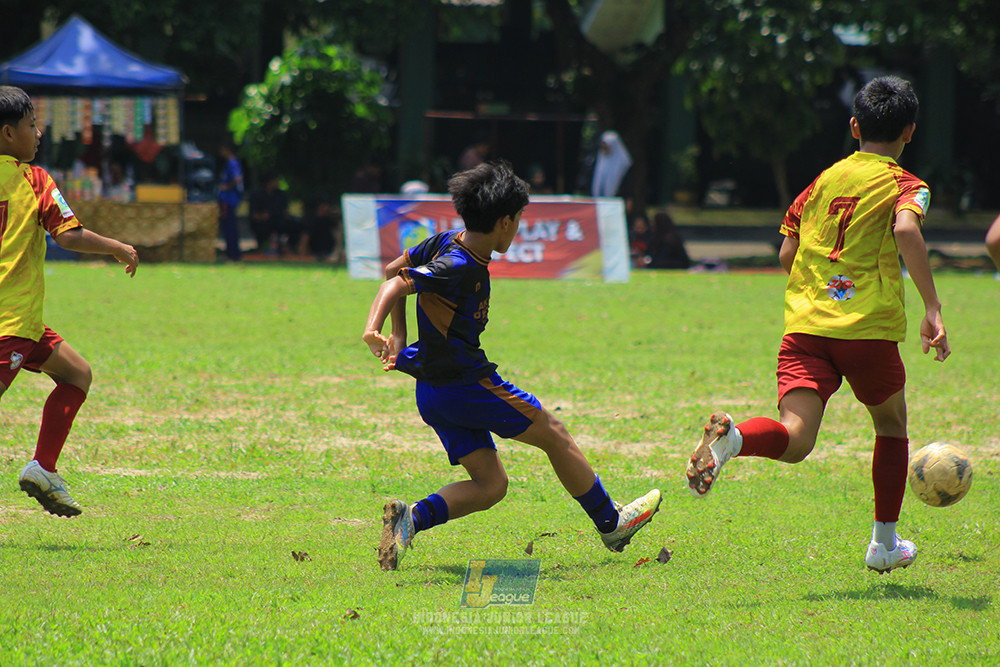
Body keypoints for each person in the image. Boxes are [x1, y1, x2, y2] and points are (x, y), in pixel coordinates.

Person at [684, 76, 950, 574]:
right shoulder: (908, 186)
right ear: (910, 132)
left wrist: (823, 288)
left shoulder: (821, 181)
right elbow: (907, 227)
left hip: (806, 327)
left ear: (854, 126)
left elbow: (788, 250)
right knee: (891, 426)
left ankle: (735, 439)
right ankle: (884, 544)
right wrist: (932, 307)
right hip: (866, 330)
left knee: (797, 437)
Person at [362, 160, 662, 570]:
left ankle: (409, 519)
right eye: (518, 219)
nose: (519, 227)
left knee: (491, 485)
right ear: (504, 222)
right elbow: (395, 282)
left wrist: (399, 335)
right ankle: (611, 523)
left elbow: (395, 267)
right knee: (554, 434)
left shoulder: (449, 240)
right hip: (465, 387)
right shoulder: (458, 265)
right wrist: (374, 329)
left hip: (432, 390)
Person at [0, 86, 139, 517]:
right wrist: (117, 246)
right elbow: (68, 234)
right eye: (31, 125)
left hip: (28, 323)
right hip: (10, 321)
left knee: (76, 372)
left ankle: (43, 467)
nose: (38, 133)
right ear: (7, 134)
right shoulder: (33, 179)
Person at [248, 173, 292, 254]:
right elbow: (253, 214)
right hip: (263, 222)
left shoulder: (281, 195)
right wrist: (262, 216)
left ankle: (285, 248)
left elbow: (285, 212)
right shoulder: (257, 195)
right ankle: (264, 248)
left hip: (278, 221)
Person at [217, 141, 244, 261]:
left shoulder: (232, 163)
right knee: (230, 226)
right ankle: (233, 254)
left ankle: (232, 254)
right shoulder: (232, 163)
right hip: (231, 199)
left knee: (229, 227)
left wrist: (226, 187)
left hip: (228, 200)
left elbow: (237, 178)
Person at [590, 130, 632, 198]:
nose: (604, 150)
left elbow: (627, 184)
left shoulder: (623, 164)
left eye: (606, 147)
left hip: (617, 198)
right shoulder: (599, 161)